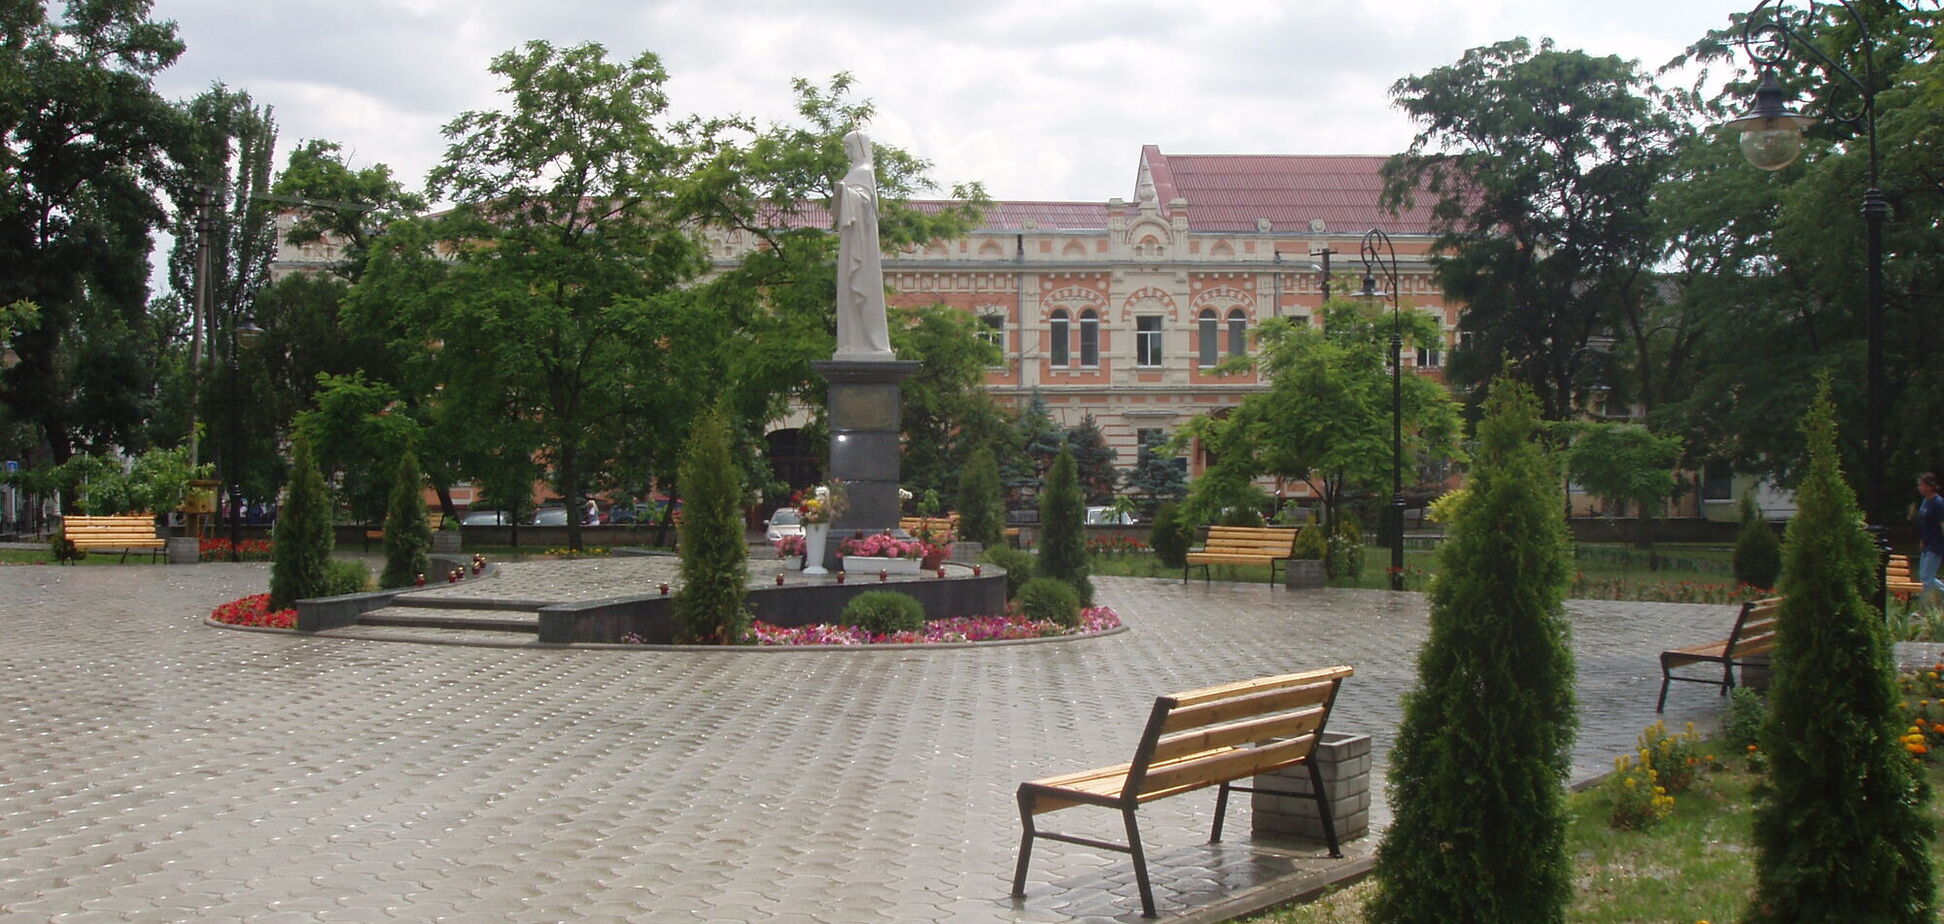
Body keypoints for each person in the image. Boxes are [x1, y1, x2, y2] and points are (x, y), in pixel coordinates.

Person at [1918, 473, 1944, 605]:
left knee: (1926, 579)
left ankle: (1923, 611)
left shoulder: (1938, 503)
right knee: (1925, 576)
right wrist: (1922, 540)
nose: (1919, 487)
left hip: (1936, 545)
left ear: (1929, 486)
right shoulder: (1925, 501)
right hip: (1926, 544)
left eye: (1921, 485)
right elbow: (1924, 523)